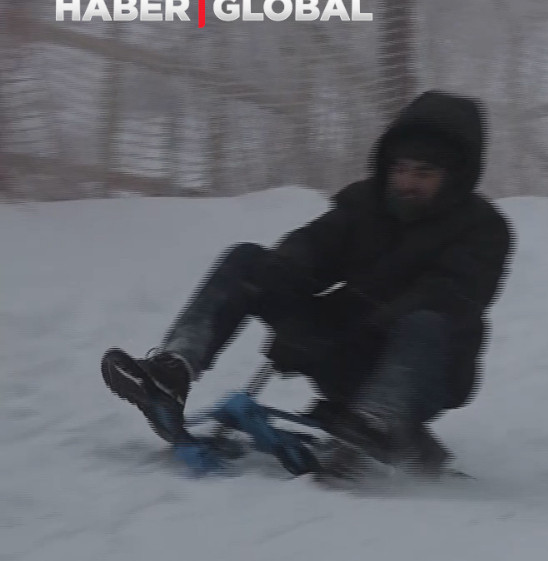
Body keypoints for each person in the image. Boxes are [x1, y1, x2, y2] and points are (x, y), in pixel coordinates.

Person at [100, 90, 513, 475]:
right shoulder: (364, 204)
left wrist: (338, 333)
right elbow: (312, 247)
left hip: (425, 370)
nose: (406, 183)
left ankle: (380, 420)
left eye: (424, 173)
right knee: (250, 263)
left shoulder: (484, 231)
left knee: (427, 321)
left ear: (455, 178)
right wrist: (295, 306)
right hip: (348, 350)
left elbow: (449, 295)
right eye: (400, 169)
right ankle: (172, 372)